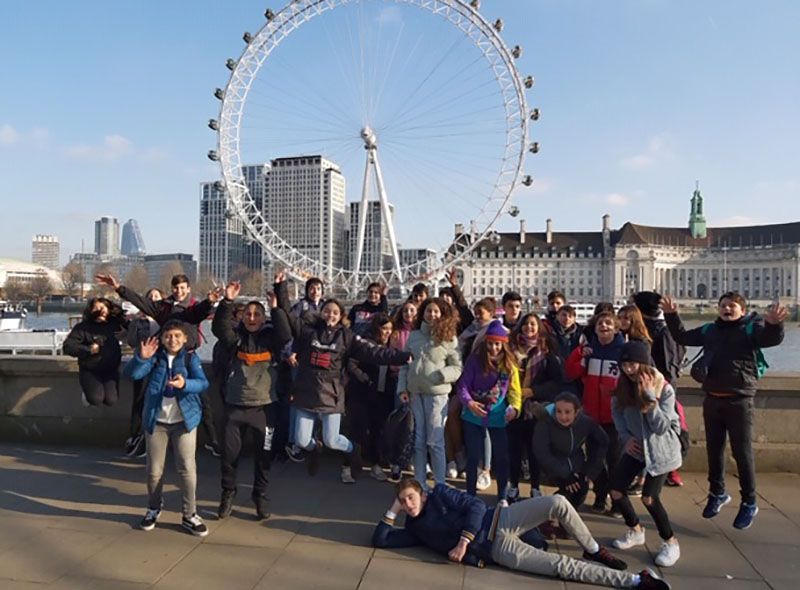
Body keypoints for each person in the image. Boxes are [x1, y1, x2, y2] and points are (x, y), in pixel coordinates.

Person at [372, 479, 671, 590]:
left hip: (501, 517)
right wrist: (393, 508)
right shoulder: (415, 528)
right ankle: (635, 581)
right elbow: (382, 540)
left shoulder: (441, 495)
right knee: (559, 567)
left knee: (558, 502)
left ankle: (592, 548)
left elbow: (476, 505)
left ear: (422, 494)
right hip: (495, 550)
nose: (409, 505)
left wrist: (463, 541)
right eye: (404, 501)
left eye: (411, 498)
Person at [662, 292, 786, 529]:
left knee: (742, 453)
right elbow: (682, 336)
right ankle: (716, 492)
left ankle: (749, 501)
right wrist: (671, 315)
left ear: (742, 309)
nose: (726, 309)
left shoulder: (751, 329)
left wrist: (774, 324)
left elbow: (770, 340)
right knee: (714, 450)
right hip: (712, 397)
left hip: (740, 399)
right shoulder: (710, 330)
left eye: (732, 306)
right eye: (723, 305)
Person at [275, 272, 411, 481]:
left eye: (335, 313)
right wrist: (281, 286)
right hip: (306, 392)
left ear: (340, 317)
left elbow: (374, 352)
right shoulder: (307, 331)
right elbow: (288, 314)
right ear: (322, 313)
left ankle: (352, 449)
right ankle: (315, 447)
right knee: (301, 441)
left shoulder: (347, 338)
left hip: (331, 394)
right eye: (327, 311)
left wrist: (402, 357)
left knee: (332, 440)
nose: (330, 315)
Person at [96, 272, 223, 456]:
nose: (179, 291)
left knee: (202, 399)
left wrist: (210, 301)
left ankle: (213, 440)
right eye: (175, 288)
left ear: (188, 289)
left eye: (182, 288)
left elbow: (199, 313)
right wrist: (118, 288)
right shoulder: (163, 308)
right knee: (150, 397)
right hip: (164, 358)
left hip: (186, 358)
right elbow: (139, 301)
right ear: (171, 289)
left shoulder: (192, 308)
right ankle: (141, 439)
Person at [212, 281, 292, 520]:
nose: (252, 317)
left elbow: (286, 334)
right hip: (235, 407)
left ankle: (260, 494)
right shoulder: (234, 338)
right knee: (229, 455)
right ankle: (228, 493)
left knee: (263, 456)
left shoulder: (271, 339)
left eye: (257, 314)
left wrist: (276, 308)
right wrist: (227, 302)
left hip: (264, 409)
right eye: (248, 313)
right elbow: (219, 328)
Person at [123, 320, 209, 536]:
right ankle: (153, 507)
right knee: (154, 472)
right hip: (157, 421)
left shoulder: (190, 358)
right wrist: (140, 358)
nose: (173, 340)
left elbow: (203, 383)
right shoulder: (155, 357)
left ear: (185, 339)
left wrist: (185, 384)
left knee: (187, 469)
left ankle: (190, 514)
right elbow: (132, 374)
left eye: (177, 336)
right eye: (169, 336)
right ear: (162, 338)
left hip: (185, 421)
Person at [609, 341, 682, 568]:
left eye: (633, 365)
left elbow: (661, 427)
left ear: (643, 363)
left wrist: (650, 399)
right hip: (637, 448)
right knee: (616, 490)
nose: (629, 370)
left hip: (661, 450)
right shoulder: (622, 388)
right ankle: (635, 530)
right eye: (624, 365)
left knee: (649, 498)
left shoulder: (664, 389)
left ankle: (670, 541)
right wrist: (626, 438)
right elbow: (617, 413)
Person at [398, 297, 462, 489]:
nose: (431, 315)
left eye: (435, 311)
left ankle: (440, 484)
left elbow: (457, 367)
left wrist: (441, 375)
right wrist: (402, 388)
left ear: (442, 314)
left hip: (437, 395)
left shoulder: (449, 338)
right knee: (418, 441)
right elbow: (404, 364)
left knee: (435, 441)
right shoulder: (414, 336)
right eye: (428, 311)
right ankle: (420, 483)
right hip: (415, 393)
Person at [565, 311, 625, 515]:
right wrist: (579, 354)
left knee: (615, 461)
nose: (604, 326)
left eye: (609, 323)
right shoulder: (589, 351)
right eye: (600, 323)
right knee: (594, 460)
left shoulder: (623, 351)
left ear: (616, 328)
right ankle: (600, 497)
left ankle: (618, 503)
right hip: (591, 415)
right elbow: (571, 372)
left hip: (614, 416)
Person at [456, 320, 521, 502]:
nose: (494, 348)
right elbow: (463, 386)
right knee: (473, 457)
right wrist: (469, 403)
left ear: (503, 344)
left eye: (497, 344)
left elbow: (515, 392)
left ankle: (502, 496)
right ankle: (470, 496)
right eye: (490, 343)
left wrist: (515, 409)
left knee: (502, 457)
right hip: (473, 415)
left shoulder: (509, 365)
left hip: (498, 416)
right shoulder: (475, 361)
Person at [633, 291, 687, 488]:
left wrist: (661, 390)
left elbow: (667, 365)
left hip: (658, 389)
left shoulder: (659, 332)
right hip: (655, 386)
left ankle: (662, 472)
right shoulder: (658, 329)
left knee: (659, 430)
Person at [508, 313, 563, 501]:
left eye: (533, 324)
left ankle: (535, 487)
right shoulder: (512, 348)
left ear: (539, 327)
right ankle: (513, 486)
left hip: (536, 408)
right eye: (525, 324)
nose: (529, 328)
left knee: (534, 450)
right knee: (514, 450)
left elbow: (556, 382)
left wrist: (534, 391)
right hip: (514, 407)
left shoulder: (546, 351)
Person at [345, 313, 398, 483]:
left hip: (382, 393)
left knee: (378, 430)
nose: (387, 332)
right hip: (361, 392)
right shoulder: (365, 343)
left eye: (390, 329)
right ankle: (348, 467)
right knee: (357, 430)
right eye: (384, 329)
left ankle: (375, 465)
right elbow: (351, 364)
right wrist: (365, 379)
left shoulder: (391, 345)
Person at [534, 392, 608, 510]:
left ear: (577, 412)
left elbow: (603, 441)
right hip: (553, 464)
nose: (563, 417)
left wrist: (590, 469)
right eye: (558, 411)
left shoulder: (585, 422)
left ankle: (562, 519)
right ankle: (545, 514)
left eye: (567, 412)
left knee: (581, 489)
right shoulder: (545, 422)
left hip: (576, 462)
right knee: (569, 490)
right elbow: (542, 453)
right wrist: (565, 474)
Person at [63, 297, 127, 407]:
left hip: (110, 369)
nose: (100, 311)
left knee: (111, 400)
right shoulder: (83, 327)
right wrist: (88, 350)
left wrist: (125, 334)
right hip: (90, 369)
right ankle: (88, 395)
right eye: (96, 308)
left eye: (102, 308)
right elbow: (68, 347)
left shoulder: (116, 324)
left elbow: (135, 330)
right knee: (96, 399)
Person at [123, 288, 164, 457]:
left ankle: (153, 439)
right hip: (143, 363)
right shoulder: (138, 321)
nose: (154, 299)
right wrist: (134, 324)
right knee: (139, 399)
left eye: (157, 296)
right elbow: (132, 342)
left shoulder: (165, 319)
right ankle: (135, 436)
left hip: (161, 364)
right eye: (150, 297)